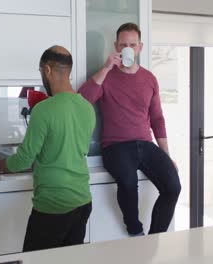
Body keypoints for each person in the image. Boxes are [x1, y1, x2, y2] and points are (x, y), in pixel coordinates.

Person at [0, 45, 96, 252]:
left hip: (53, 204)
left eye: (41, 72)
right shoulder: (87, 108)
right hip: (82, 201)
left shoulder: (44, 109)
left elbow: (23, 160)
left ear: (48, 70)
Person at [78, 22, 181, 236]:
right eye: (123, 44)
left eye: (132, 44)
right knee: (127, 181)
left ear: (140, 47)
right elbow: (82, 100)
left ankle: (154, 238)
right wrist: (106, 68)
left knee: (173, 186)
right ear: (116, 46)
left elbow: (157, 118)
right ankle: (135, 232)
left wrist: (166, 154)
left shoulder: (149, 78)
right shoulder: (107, 76)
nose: (128, 48)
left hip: (145, 143)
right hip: (115, 146)